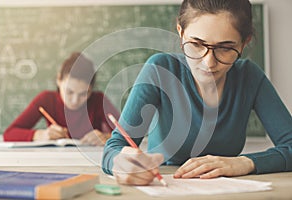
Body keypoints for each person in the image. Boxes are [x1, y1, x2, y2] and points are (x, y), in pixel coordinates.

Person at [102, 0, 292, 185]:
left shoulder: (249, 77)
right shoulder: (160, 69)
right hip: (165, 188)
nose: (208, 62)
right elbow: (114, 148)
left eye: (225, 48)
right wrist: (119, 163)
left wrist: (243, 162)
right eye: (196, 44)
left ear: (244, 43)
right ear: (181, 33)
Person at [4, 52, 120, 146]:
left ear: (91, 89)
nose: (75, 101)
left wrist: (106, 137)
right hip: (55, 160)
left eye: (83, 94)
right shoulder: (46, 99)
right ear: (58, 80)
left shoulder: (98, 100)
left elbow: (128, 133)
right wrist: (41, 135)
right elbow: (9, 134)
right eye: (69, 92)